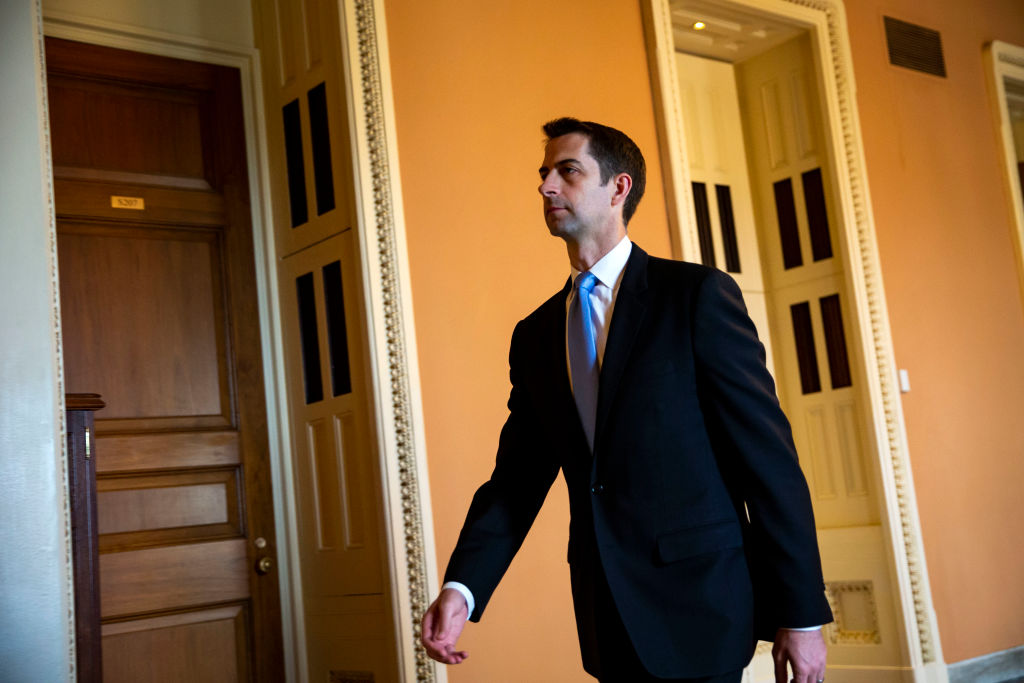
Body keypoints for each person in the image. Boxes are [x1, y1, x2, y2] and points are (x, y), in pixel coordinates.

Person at [420, 117, 833, 683]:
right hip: (604, 614)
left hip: (701, 607)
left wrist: (801, 613)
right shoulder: (536, 334)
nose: (545, 186)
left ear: (619, 188)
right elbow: (516, 480)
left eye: (567, 171)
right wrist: (463, 587)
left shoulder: (695, 298)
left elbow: (768, 465)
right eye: (543, 174)